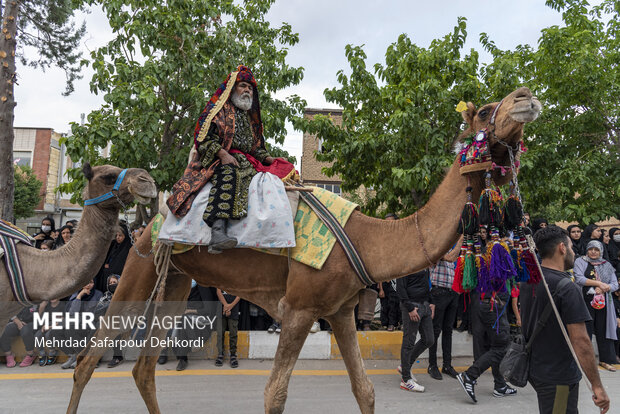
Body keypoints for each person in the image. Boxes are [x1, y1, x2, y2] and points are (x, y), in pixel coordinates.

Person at [170, 65, 289, 254]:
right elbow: (203, 140)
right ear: (233, 88)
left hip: (247, 162)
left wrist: (269, 158)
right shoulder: (218, 111)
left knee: (276, 177)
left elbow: (255, 148)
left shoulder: (250, 119)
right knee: (228, 173)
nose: (247, 90)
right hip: (220, 159)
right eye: (243, 86)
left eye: (250, 87)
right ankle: (217, 232)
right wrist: (223, 154)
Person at [521, 226, 609, 414]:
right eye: (570, 246)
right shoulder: (567, 288)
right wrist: (597, 386)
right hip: (558, 377)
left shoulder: (529, 281)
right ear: (562, 248)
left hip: (537, 370)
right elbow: (581, 341)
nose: (573, 252)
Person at [457, 289, 516, 402]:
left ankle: (500, 385)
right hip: (493, 304)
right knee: (501, 347)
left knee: (496, 345)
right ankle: (470, 375)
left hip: (489, 303)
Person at [573, 240, 618, 372]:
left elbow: (615, 284)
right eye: (591, 249)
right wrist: (599, 284)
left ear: (601, 251)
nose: (593, 252)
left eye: (596, 250)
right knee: (585, 331)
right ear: (587, 250)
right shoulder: (580, 262)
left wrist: (605, 288)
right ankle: (584, 361)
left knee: (604, 330)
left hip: (604, 304)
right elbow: (579, 278)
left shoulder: (606, 264)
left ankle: (606, 360)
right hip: (585, 302)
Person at [396, 269, 434, 392]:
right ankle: (406, 380)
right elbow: (400, 288)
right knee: (408, 342)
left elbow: (425, 283)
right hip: (412, 306)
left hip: (425, 305)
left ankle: (405, 366)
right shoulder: (406, 261)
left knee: (429, 339)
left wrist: (431, 302)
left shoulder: (422, 260)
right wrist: (410, 308)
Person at [427, 244, 460, 380]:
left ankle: (447, 365)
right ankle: (432, 365)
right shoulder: (436, 247)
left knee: (448, 330)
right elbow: (449, 258)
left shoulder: (452, 248)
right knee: (436, 330)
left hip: (452, 292)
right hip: (438, 292)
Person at [94, 224, 131, 293]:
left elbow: (120, 264)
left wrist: (110, 267)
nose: (117, 237)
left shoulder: (127, 248)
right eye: (116, 235)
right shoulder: (114, 245)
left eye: (120, 235)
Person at [35, 298, 65, 366]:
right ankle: (42, 353)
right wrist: (41, 307)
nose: (53, 298)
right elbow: (39, 318)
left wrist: (50, 327)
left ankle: (53, 352)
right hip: (47, 324)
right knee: (38, 335)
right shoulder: (47, 305)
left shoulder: (62, 305)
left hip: (57, 325)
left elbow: (61, 320)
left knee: (49, 334)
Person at [215, 288, 240, 368]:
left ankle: (233, 355)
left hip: (234, 308)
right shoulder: (221, 278)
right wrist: (225, 305)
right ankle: (220, 354)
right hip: (221, 307)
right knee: (220, 333)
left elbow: (239, 294)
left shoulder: (237, 280)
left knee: (233, 333)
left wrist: (230, 306)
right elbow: (218, 291)